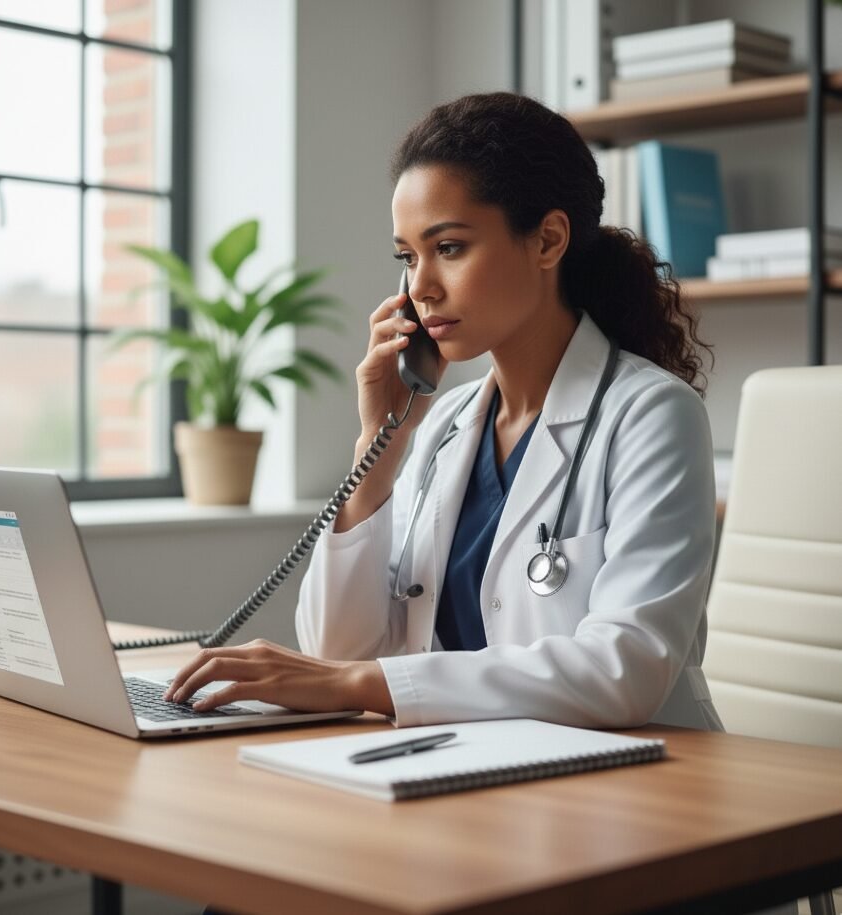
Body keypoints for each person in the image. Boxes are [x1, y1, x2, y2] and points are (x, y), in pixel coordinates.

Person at [165, 92, 723, 734]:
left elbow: (625, 670)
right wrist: (379, 443)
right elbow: (336, 649)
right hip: (469, 765)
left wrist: (359, 683)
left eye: (449, 248)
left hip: (635, 785)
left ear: (548, 240)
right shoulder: (443, 423)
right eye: (408, 257)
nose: (420, 287)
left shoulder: (652, 415)